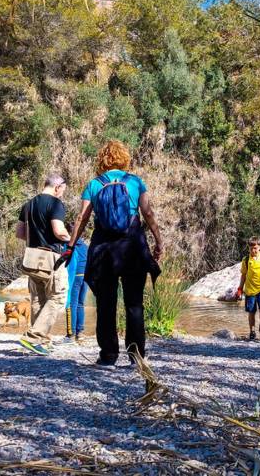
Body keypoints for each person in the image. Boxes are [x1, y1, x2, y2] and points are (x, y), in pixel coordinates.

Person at [68, 140, 163, 368]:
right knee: (134, 303)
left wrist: (71, 246)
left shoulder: (94, 184)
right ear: (124, 158)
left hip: (104, 249)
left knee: (106, 304)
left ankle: (108, 356)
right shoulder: (136, 182)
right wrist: (159, 241)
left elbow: (81, 218)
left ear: (102, 160)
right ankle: (136, 356)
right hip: (132, 247)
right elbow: (148, 213)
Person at [16, 174, 71, 355]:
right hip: (51, 257)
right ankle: (32, 337)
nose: (62, 193)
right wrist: (71, 239)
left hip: (31, 256)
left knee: (38, 298)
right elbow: (58, 230)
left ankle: (42, 341)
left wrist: (37, 239)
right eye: (63, 189)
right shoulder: (55, 204)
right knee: (58, 296)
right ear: (57, 186)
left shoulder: (28, 204)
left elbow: (20, 233)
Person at [236, 237, 260, 341]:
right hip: (249, 290)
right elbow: (243, 275)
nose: (254, 250)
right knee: (251, 312)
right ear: (249, 248)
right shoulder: (246, 260)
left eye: (256, 248)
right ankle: (252, 331)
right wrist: (240, 288)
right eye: (252, 248)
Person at [61, 235, 89, 344]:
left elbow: (66, 262)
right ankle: (80, 333)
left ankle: (70, 334)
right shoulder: (84, 246)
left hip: (75, 277)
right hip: (85, 276)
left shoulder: (69, 245)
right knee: (80, 304)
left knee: (72, 303)